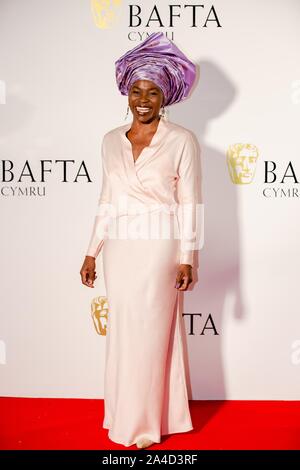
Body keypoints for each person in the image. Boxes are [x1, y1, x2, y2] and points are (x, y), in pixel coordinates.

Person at [80, 32, 203, 449]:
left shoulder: (182, 140)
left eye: (152, 91)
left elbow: (190, 202)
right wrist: (91, 251)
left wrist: (188, 256)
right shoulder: (110, 141)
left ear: (164, 97)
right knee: (125, 333)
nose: (144, 99)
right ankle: (122, 414)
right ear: (127, 93)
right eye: (137, 90)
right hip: (120, 247)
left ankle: (144, 426)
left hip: (159, 246)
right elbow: (107, 200)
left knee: (151, 332)